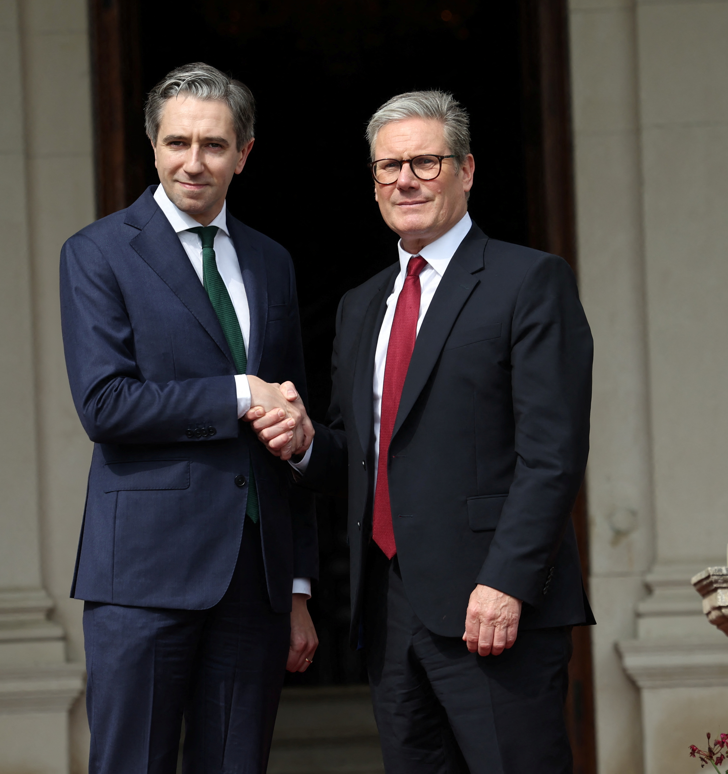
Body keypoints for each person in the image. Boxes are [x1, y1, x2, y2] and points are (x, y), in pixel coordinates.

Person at [248, 90, 595, 773]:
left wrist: (507, 582)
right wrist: (305, 439)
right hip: (389, 613)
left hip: (493, 607)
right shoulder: (360, 305)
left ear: (466, 170)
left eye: (425, 162)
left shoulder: (529, 281)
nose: (404, 179)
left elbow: (552, 456)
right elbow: (358, 452)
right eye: (387, 167)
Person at [59, 62, 318, 774]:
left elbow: (291, 413)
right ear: (153, 146)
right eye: (176, 143)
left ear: (245, 153)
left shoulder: (271, 261)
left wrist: (296, 586)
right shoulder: (98, 253)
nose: (193, 162)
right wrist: (238, 392)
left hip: (254, 580)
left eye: (212, 145)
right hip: (143, 575)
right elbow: (105, 404)